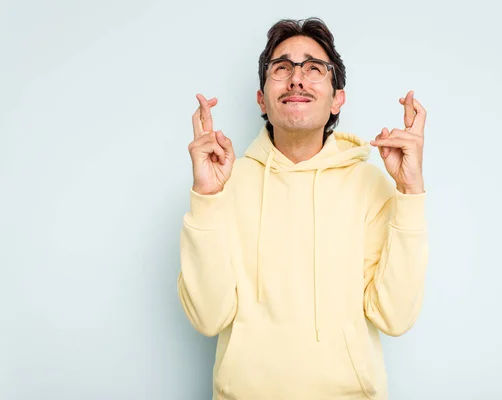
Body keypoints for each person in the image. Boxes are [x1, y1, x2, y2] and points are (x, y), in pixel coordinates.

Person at [177, 17, 428, 400]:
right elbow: (208, 317)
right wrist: (206, 198)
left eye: (314, 68)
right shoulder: (223, 184)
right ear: (261, 98)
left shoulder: (372, 186)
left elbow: (395, 317)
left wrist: (410, 192)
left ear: (337, 98)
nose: (297, 79)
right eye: (282, 68)